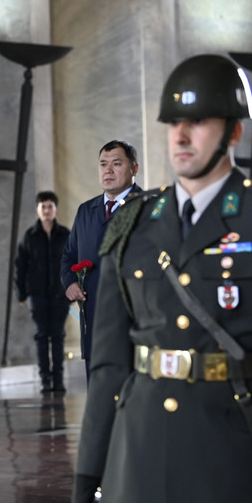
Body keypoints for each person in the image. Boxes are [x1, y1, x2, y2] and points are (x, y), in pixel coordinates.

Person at [71, 54, 252, 503]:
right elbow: (109, 365)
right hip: (147, 466)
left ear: (233, 132)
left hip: (238, 463)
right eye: (174, 123)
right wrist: (89, 474)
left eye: (198, 122)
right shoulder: (135, 225)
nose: (181, 135)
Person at [60, 140, 143, 380]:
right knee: (98, 391)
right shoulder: (86, 211)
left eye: (117, 164)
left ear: (134, 168)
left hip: (132, 322)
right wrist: (70, 282)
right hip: (93, 320)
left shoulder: (147, 207)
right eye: (103, 164)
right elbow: (69, 256)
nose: (108, 170)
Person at [15, 190, 71, 393]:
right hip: (37, 294)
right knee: (41, 336)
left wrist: (73, 288)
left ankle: (59, 379)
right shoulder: (30, 236)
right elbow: (20, 266)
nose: (47, 211)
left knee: (58, 336)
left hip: (60, 294)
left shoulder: (65, 235)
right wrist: (22, 293)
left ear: (55, 209)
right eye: (43, 207)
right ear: (38, 209)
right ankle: (45, 380)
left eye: (50, 207)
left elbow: (73, 263)